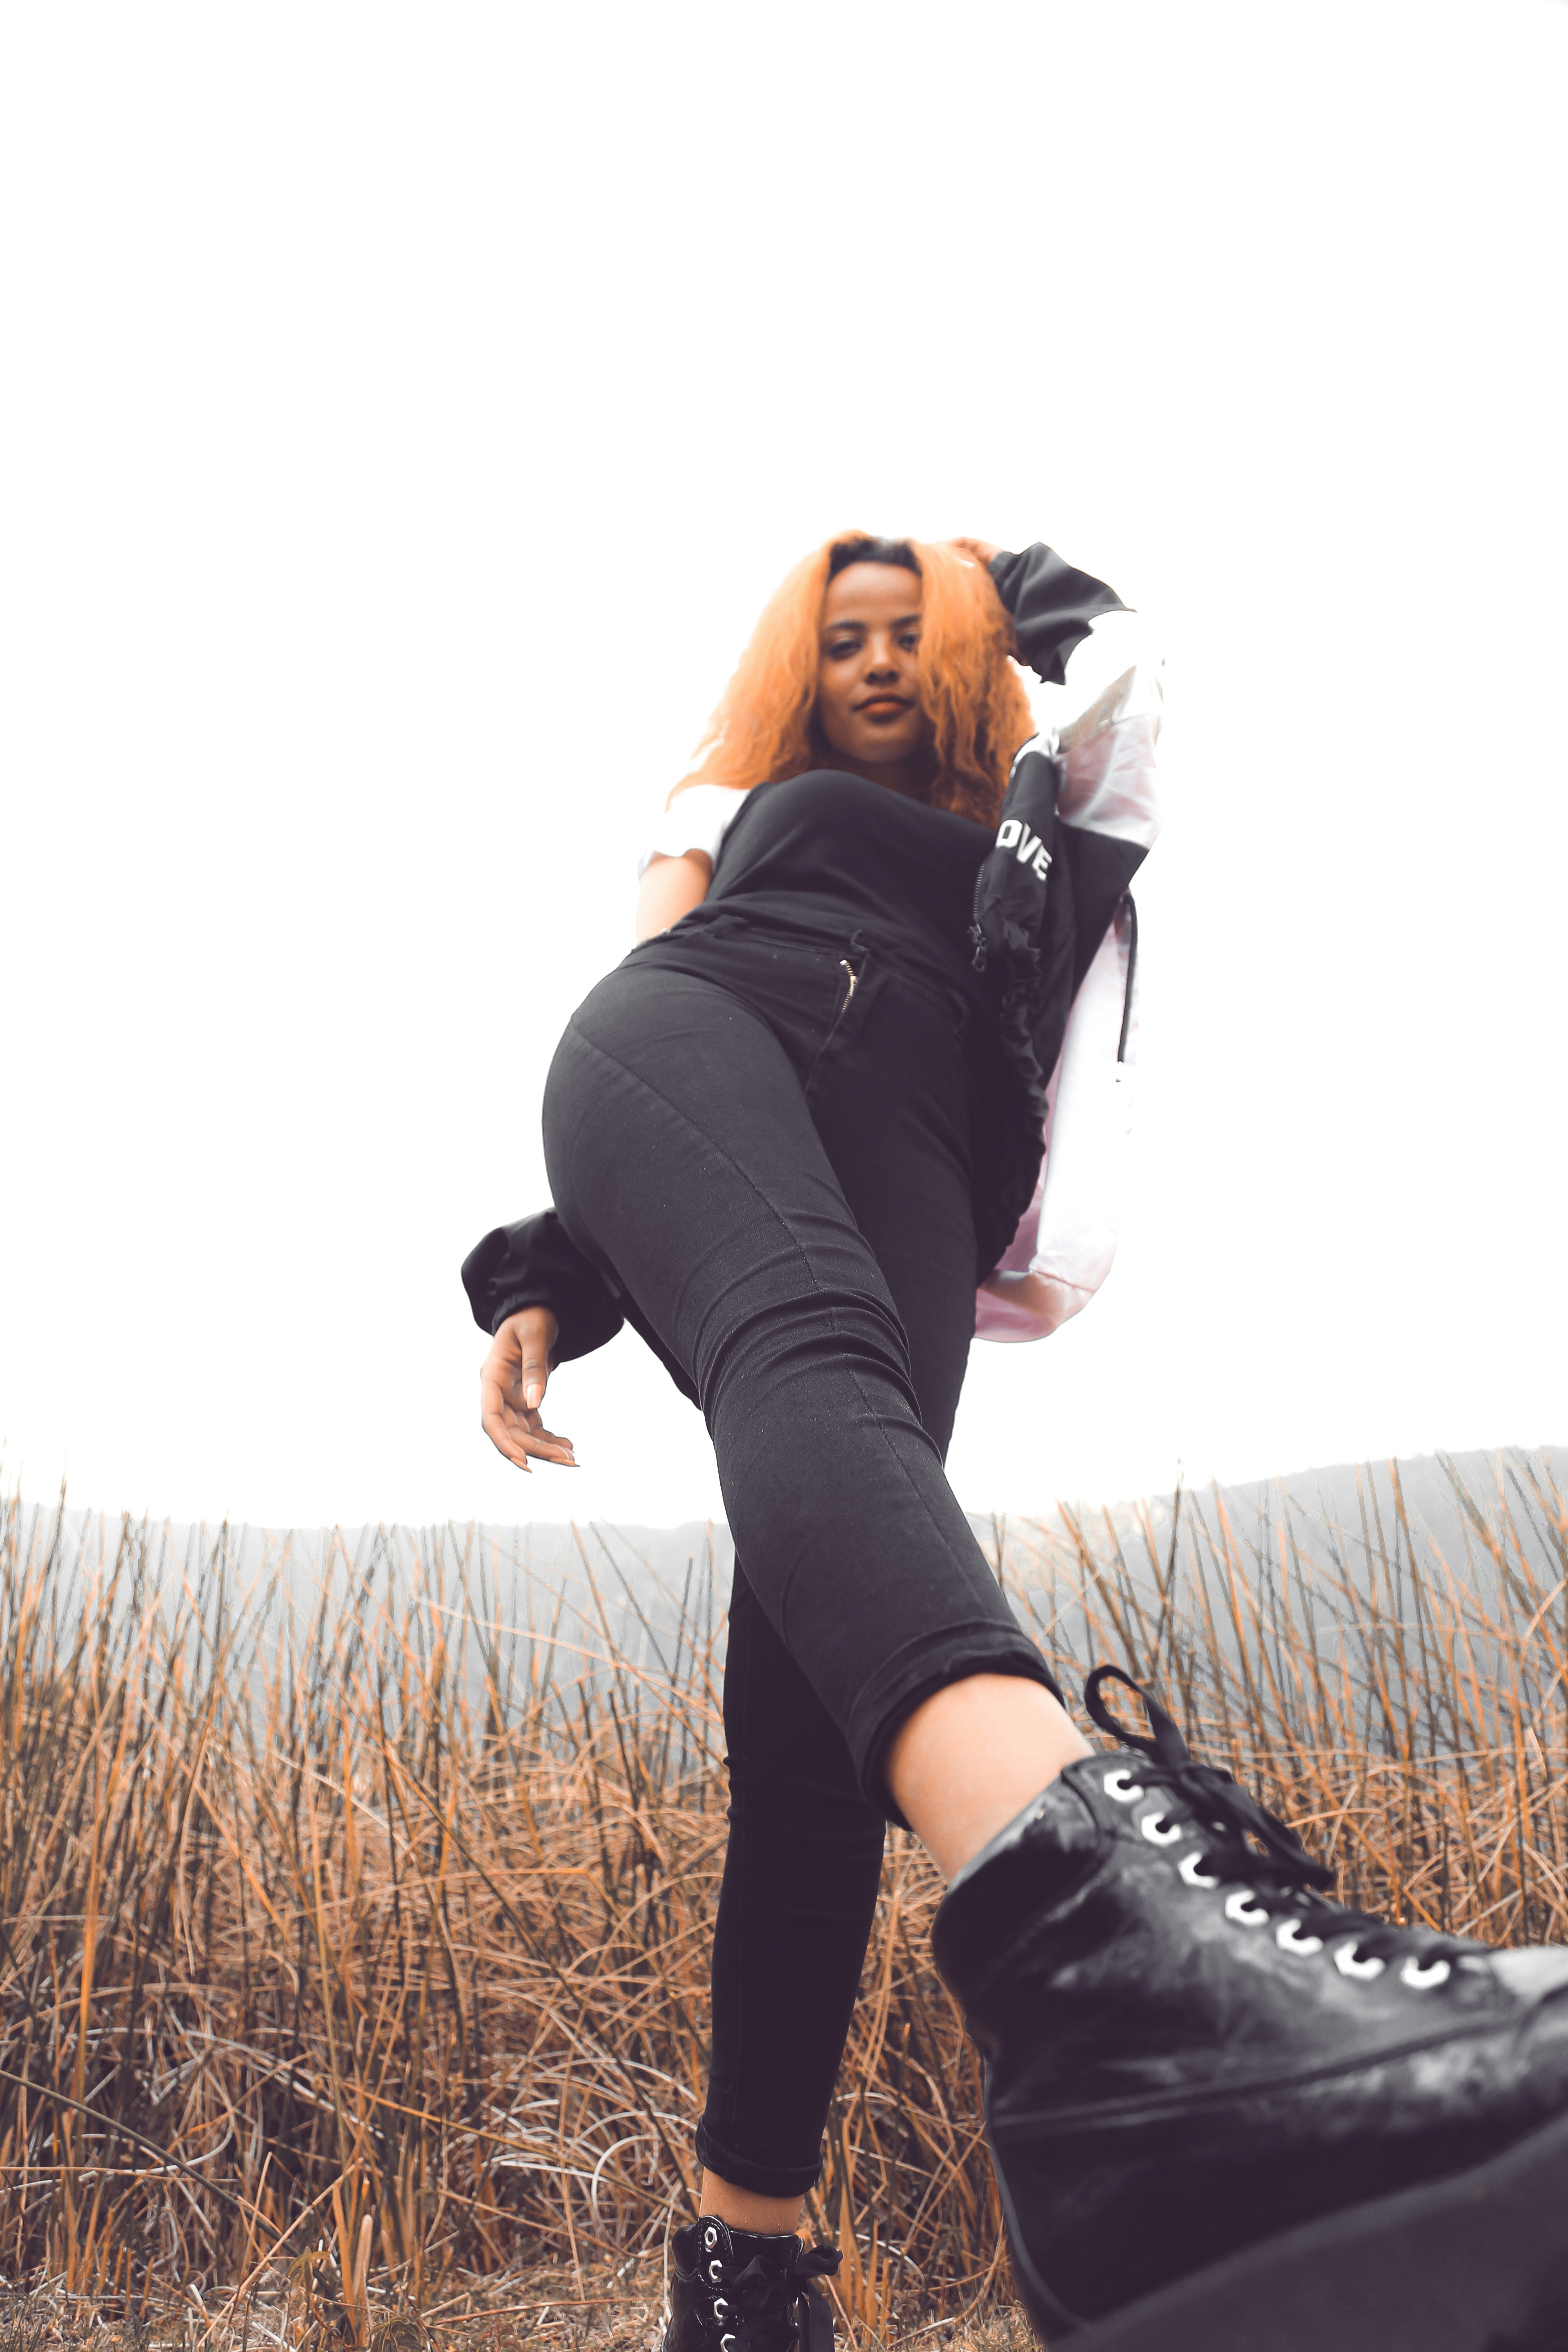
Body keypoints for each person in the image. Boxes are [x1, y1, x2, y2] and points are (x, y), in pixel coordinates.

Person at [462, 534, 1568, 2352]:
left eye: (916, 634)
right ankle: (1128, 1977)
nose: (880, 664)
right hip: (700, 1032)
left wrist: (1006, 570)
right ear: (794, 668)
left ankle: (747, 2277)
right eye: (845, 638)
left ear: (973, 652)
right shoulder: (738, 796)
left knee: (816, 1704)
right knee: (803, 1347)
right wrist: (555, 1284)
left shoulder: (1053, 819)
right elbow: (657, 1011)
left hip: (925, 1141)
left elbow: (1125, 659)